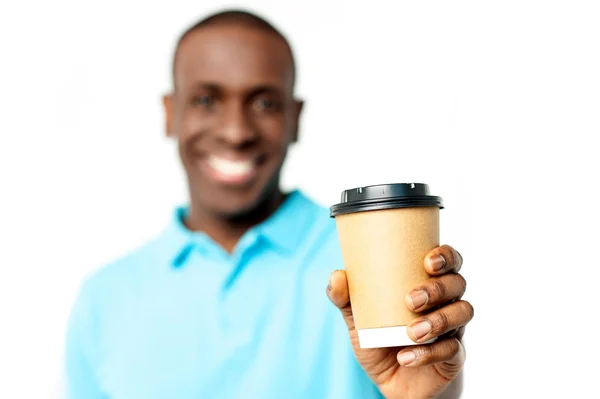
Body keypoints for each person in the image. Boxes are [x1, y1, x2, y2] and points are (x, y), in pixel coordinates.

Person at [65, 9, 474, 399]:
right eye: (206, 100)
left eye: (264, 103)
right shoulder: (105, 299)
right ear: (170, 113)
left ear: (295, 119)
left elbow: (418, 382)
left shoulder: (371, 259)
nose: (236, 132)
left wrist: (430, 393)